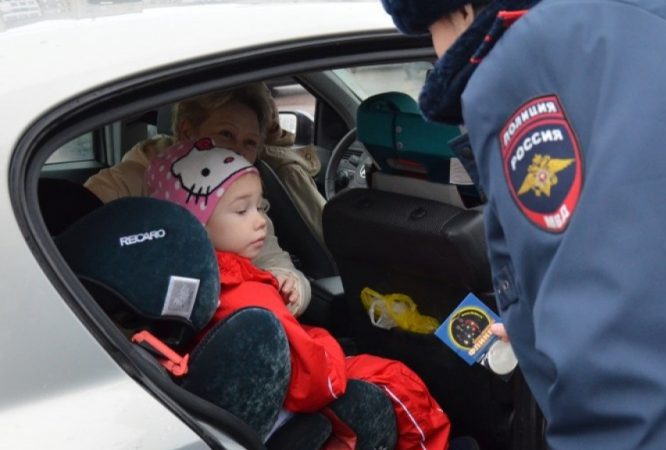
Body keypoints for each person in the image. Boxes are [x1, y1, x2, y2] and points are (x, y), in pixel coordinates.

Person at [381, 0, 666, 448]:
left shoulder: (556, 56)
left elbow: (649, 397)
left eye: (428, 33)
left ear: (461, 10)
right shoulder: (626, 24)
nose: (435, 53)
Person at [146, 138, 452, 450]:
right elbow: (317, 380)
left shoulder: (174, 287)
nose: (260, 220)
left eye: (260, 206)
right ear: (195, 224)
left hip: (249, 413)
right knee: (398, 381)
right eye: (241, 210)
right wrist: (327, 344)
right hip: (289, 408)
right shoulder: (250, 295)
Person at [84, 83, 311, 316]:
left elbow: (277, 264)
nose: (238, 151)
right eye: (226, 134)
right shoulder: (120, 185)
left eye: (250, 142)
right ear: (187, 132)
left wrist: (288, 287)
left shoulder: (242, 196)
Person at [259, 93, 327, 244]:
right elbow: (327, 231)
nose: (272, 113)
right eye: (259, 107)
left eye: (270, 101)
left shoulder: (267, 162)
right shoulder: (288, 170)